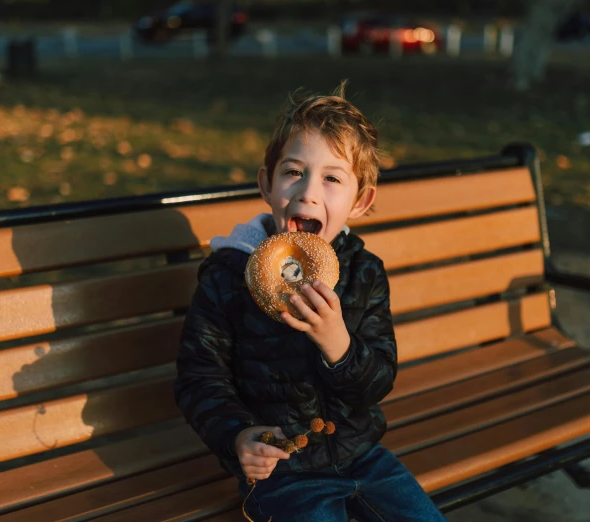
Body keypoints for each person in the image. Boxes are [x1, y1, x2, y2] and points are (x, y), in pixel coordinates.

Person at [174, 82, 448, 522]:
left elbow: (378, 378)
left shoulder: (363, 273)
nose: (307, 192)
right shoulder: (229, 274)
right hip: (285, 469)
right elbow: (199, 377)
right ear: (266, 184)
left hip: (362, 454)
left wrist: (337, 343)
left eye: (332, 178)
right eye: (293, 172)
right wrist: (238, 436)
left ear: (361, 201)